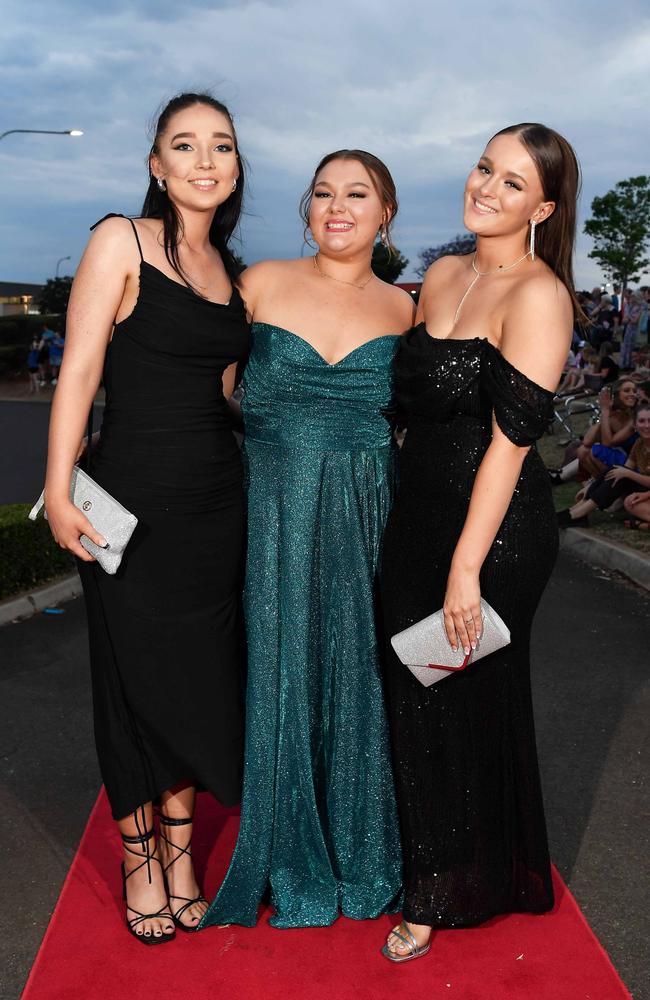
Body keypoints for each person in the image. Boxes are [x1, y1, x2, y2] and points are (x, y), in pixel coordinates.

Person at [43, 93, 250, 943]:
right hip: (127, 505)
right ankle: (140, 859)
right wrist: (58, 488)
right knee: (132, 682)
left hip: (215, 509)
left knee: (199, 684)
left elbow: (232, 396)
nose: (206, 160)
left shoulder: (231, 275)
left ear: (236, 167)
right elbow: (80, 372)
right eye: (185, 145)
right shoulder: (118, 240)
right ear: (156, 165)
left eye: (222, 146)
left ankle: (180, 849)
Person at [380, 122, 579, 962]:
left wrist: (465, 570)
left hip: (495, 536)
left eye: (512, 182)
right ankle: (447, 855)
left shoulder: (541, 296)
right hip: (416, 513)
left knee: (450, 697)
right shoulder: (445, 274)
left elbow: (508, 446)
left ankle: (441, 888)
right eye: (484, 168)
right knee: (408, 684)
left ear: (543, 205)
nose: (487, 189)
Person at [200, 150, 414, 931]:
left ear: (385, 211)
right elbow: (215, 387)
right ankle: (286, 845)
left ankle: (362, 846)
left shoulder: (406, 310)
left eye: (357, 194)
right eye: (323, 192)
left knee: (356, 661)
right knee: (281, 659)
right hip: (273, 504)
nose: (337, 206)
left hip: (368, 510)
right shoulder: (259, 283)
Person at [557, 402, 650, 527]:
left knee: (623, 475)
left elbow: (627, 471)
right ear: (634, 424)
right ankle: (576, 510)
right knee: (618, 471)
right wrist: (591, 487)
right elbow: (625, 468)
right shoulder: (639, 443)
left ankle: (577, 515)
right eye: (642, 421)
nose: (647, 425)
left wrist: (627, 473)